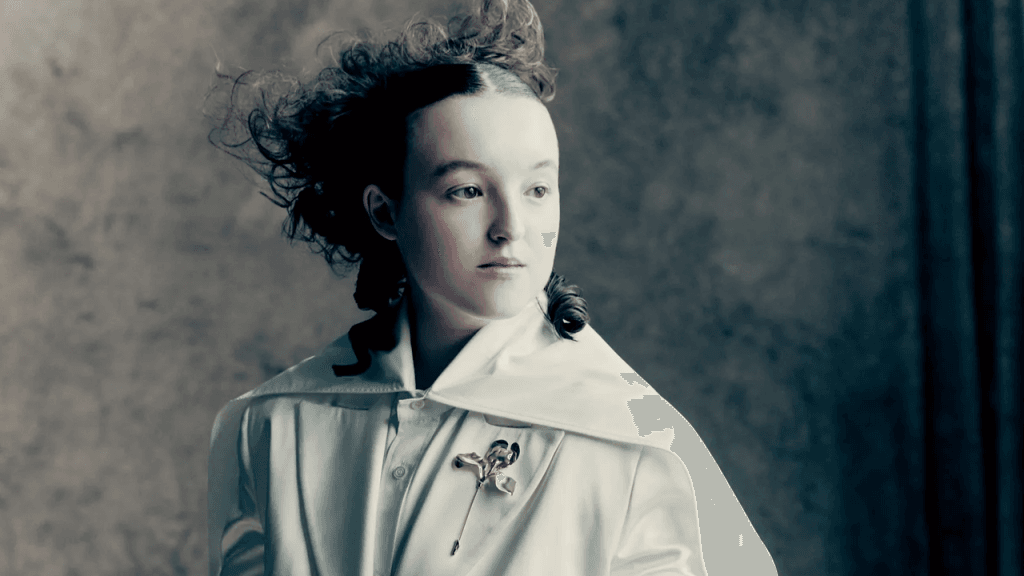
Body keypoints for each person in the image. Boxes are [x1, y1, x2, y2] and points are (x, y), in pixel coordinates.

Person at [206, 1, 778, 575]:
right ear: (384, 211)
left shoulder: (638, 449)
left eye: (537, 189)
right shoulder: (274, 423)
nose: (511, 228)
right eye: (468, 191)